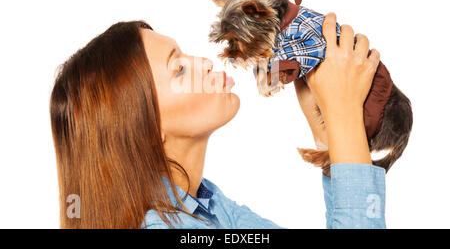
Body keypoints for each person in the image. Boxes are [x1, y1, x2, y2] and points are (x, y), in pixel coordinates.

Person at [49, 13, 385, 229]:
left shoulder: (207, 206)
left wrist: (326, 128)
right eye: (179, 69)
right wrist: (343, 115)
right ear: (146, 128)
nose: (204, 64)